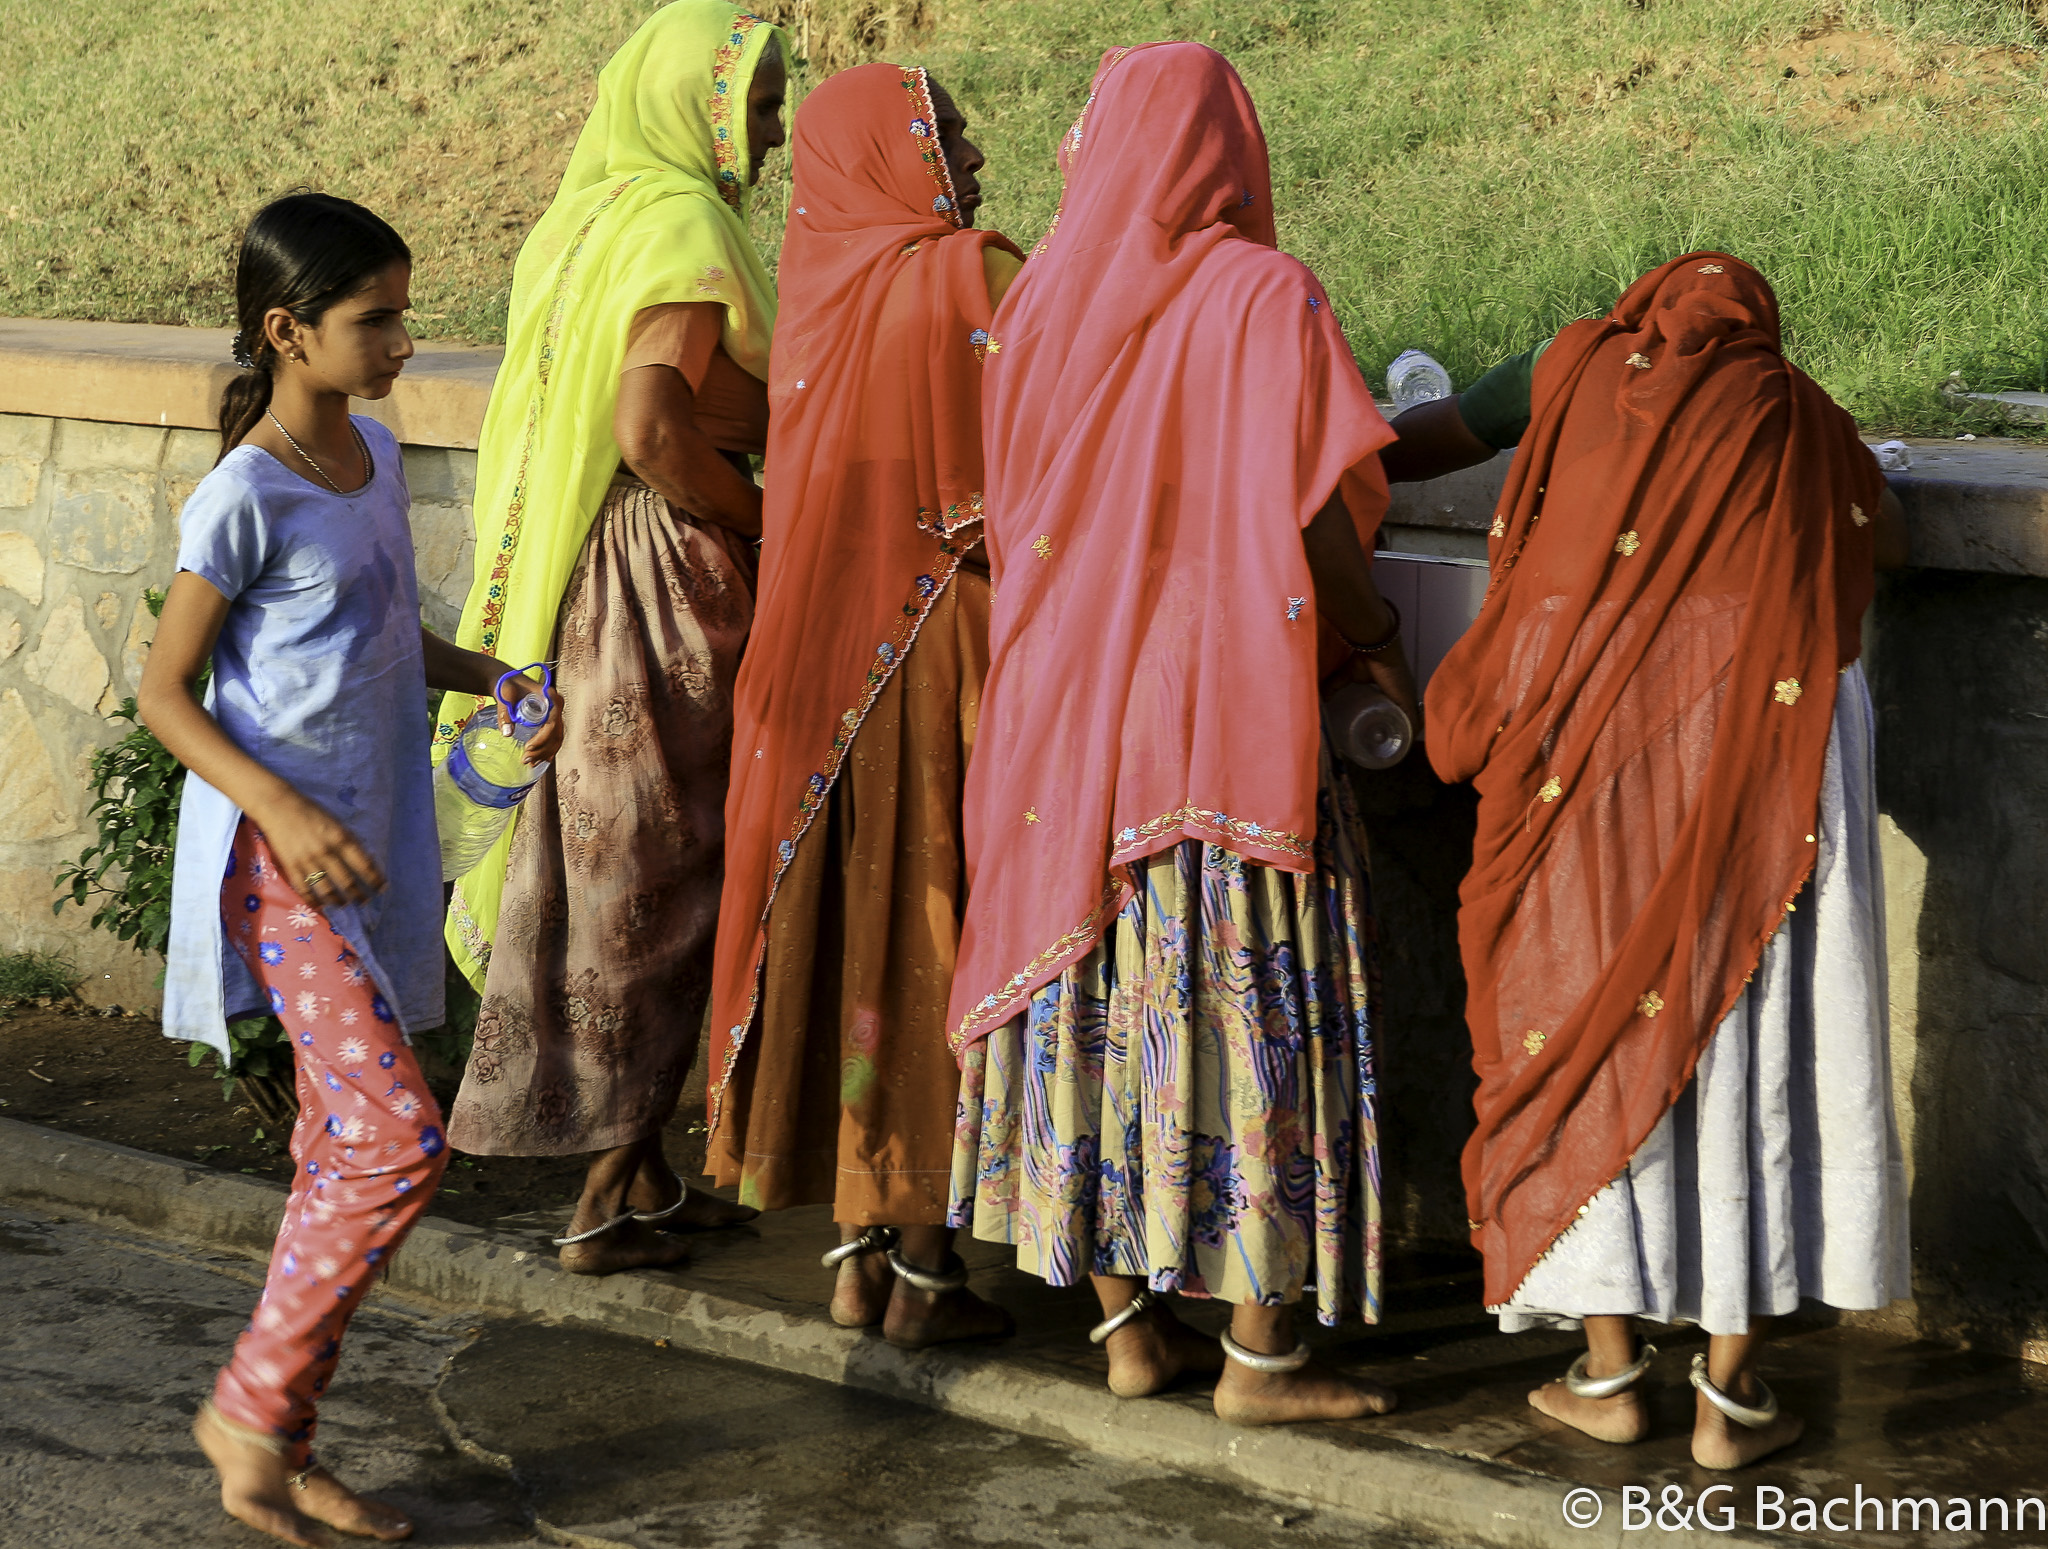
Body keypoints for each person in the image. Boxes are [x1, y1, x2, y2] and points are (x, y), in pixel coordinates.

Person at [945, 42, 1416, 1425]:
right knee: (1244, 1002)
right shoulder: (1264, 297)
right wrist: (1375, 635)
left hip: (1057, 714)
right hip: (1218, 705)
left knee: (1092, 998)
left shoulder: (1037, 301)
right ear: (1231, 150)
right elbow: (1318, 511)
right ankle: (1261, 1359)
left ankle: (1129, 1332)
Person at [1400, 253, 1912, 1469]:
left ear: (1643, 312)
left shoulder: (1572, 360)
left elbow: (1432, 436)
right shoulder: (1790, 412)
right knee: (1743, 1045)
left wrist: (1322, 455)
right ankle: (1730, 1398)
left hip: (1584, 768)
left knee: (1580, 1028)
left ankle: (1608, 1367)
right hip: (1755, 776)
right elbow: (1878, 536)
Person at [144, 193, 562, 1545]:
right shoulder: (243, 494)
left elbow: (388, 626)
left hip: (379, 854)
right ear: (288, 331)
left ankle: (277, 1445)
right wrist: (278, 807)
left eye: (401, 312)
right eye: (373, 319)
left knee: (342, 1152)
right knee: (393, 1145)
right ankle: (249, 1408)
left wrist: (484, 671)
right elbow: (167, 692)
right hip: (287, 872)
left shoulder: (372, 455)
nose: (401, 341)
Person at [439, 0, 788, 1273]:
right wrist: (767, 521)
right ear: (689, 100)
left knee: (618, 873)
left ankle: (636, 1175)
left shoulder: (581, 218)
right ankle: (601, 1195)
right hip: (662, 573)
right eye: (752, 98)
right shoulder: (684, 226)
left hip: (587, 568)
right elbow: (652, 425)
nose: (775, 123)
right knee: (660, 877)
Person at [705, 63, 1024, 1348]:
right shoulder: (968, 275)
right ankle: (930, 1269)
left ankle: (855, 1249)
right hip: (933, 646)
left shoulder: (814, 288)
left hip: (809, 667)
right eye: (942, 128)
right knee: (931, 924)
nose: (969, 147)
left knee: (845, 935)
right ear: (893, 150)